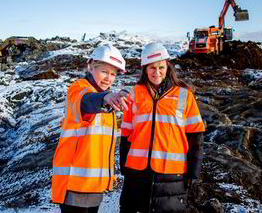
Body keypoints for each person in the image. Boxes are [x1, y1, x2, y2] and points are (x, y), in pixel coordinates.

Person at [119, 43, 205, 213]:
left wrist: (193, 172)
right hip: (137, 173)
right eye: (152, 68)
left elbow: (196, 136)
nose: (156, 72)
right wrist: (124, 166)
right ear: (145, 69)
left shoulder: (184, 95)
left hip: (172, 175)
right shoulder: (134, 94)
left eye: (161, 67)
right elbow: (126, 134)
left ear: (168, 67)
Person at [51, 44, 129, 213]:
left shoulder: (108, 100)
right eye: (104, 72)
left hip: (94, 185)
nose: (109, 78)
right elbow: (88, 101)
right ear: (91, 67)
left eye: (113, 74)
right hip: (74, 184)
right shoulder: (78, 88)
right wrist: (106, 98)